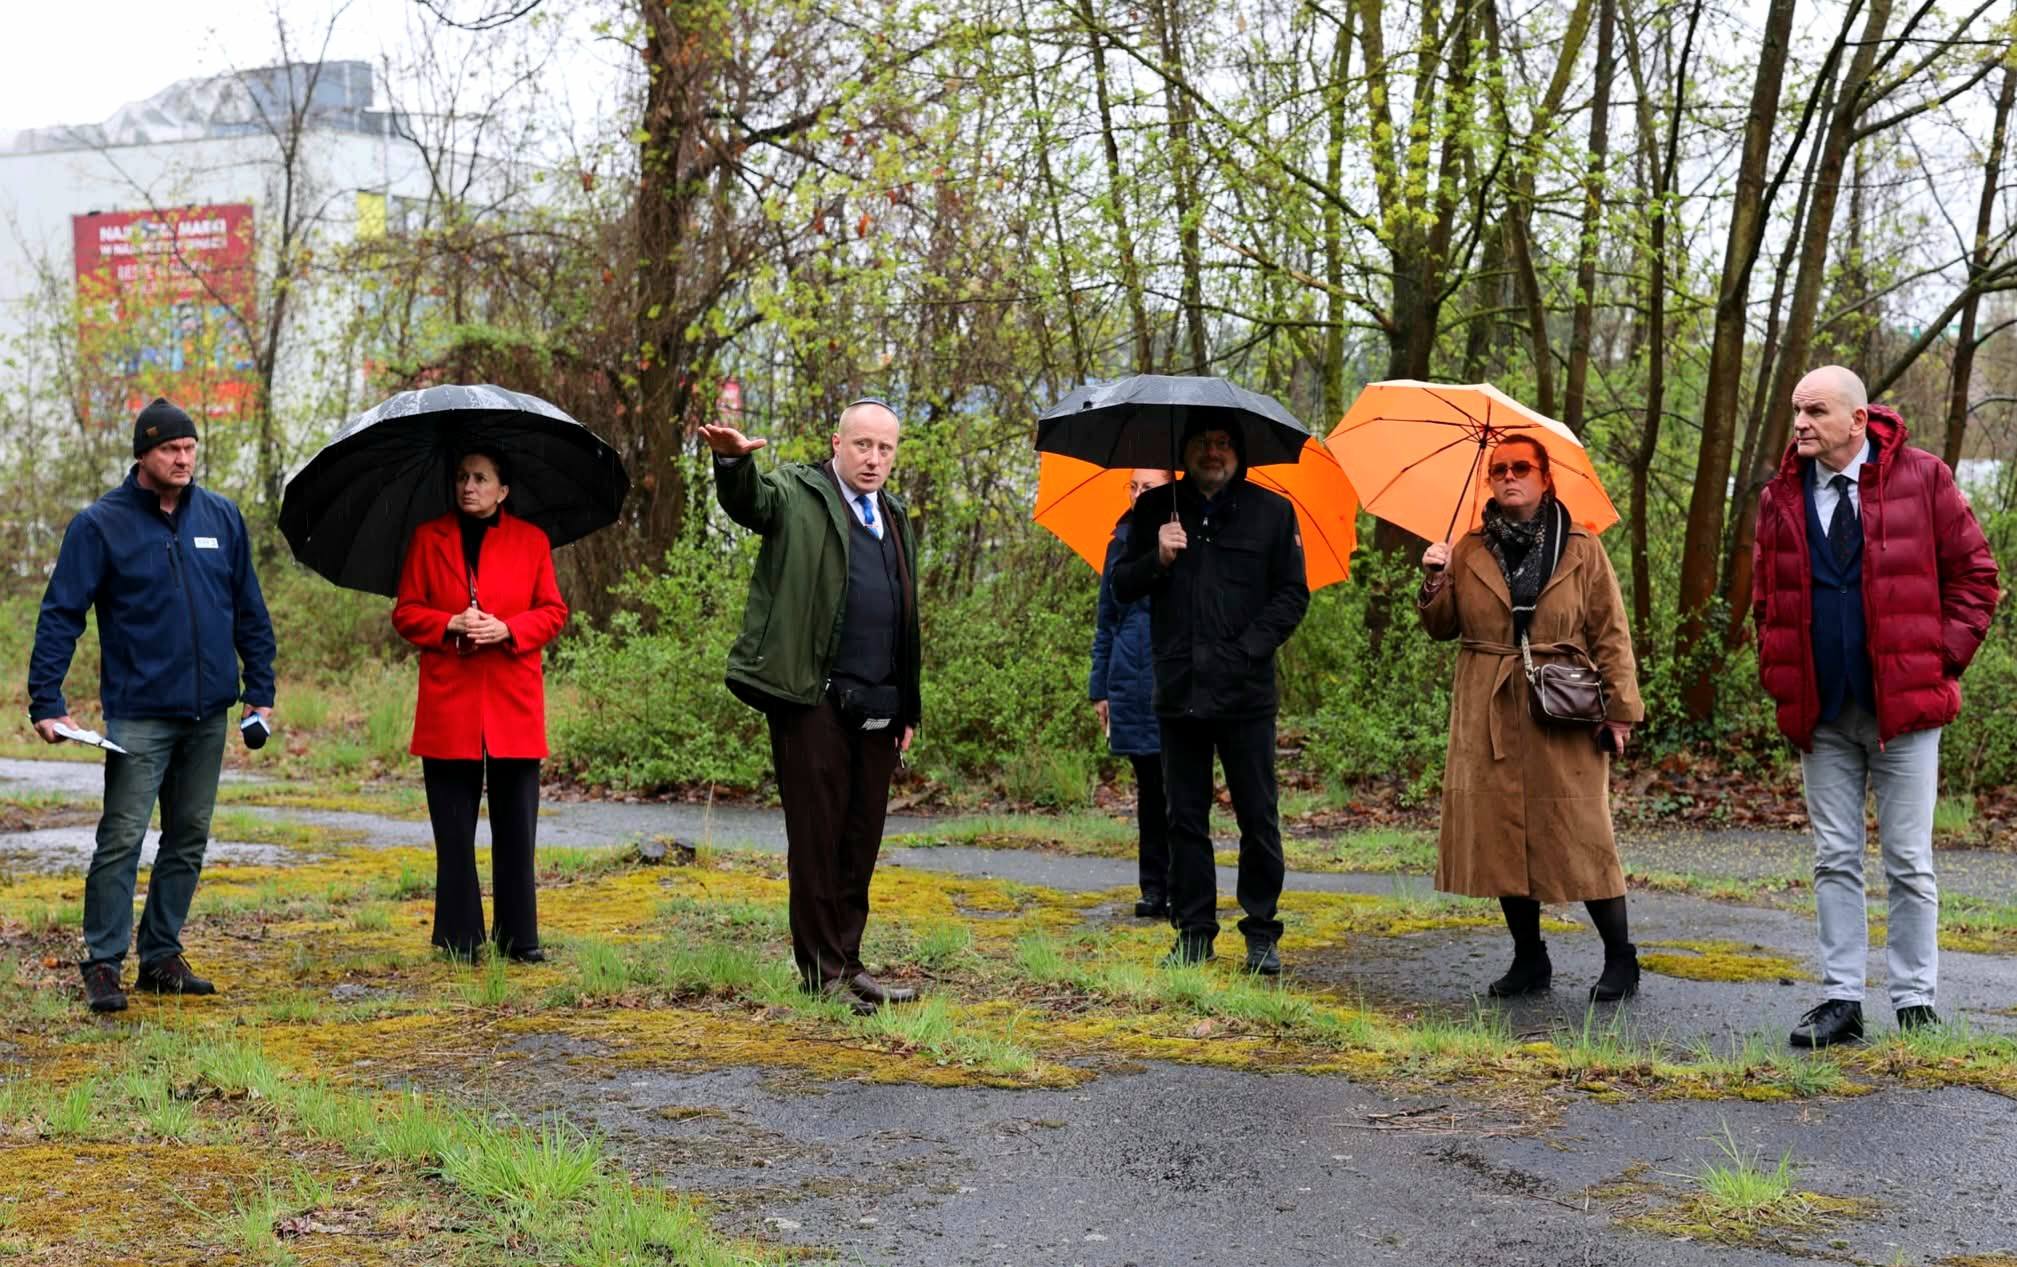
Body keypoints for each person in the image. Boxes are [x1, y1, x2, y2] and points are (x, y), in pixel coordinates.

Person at [1752, 366, 2000, 1047]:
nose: (1799, 422)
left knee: (1907, 860)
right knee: (1833, 856)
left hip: (1904, 713)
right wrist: (1777, 674)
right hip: (1821, 713)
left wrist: (1936, 660)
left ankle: (1915, 999)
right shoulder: (1780, 495)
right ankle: (1839, 1000)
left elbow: (1977, 577)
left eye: (1815, 411)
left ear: (1857, 420)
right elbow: (1764, 601)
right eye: (1796, 409)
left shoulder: (1923, 478)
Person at [27, 397, 276, 1013]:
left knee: (188, 836)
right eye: (171, 449)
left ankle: (161, 955)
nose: (184, 459)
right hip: (139, 715)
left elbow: (250, 611)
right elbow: (61, 614)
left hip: (209, 713)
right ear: (143, 454)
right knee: (122, 838)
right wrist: (47, 701)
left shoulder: (221, 516)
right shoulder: (101, 524)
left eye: (190, 448)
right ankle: (104, 964)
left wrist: (260, 693)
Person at [700, 398, 922, 1015]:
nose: (874, 458)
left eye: (885, 448)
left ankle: (849, 963)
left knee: (860, 838)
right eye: (863, 446)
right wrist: (730, 463)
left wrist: (909, 706)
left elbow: (907, 619)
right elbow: (750, 504)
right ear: (837, 442)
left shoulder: (894, 515)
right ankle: (821, 973)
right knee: (817, 837)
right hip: (811, 697)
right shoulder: (799, 494)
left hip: (879, 702)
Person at [1418, 434, 1644, 1002]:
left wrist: (1620, 714)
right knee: (1502, 836)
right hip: (1488, 708)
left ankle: (1621, 959)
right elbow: (1443, 627)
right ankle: (1529, 960)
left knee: (1581, 833)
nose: (1509, 476)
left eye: (1522, 467)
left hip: (1563, 706)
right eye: (1499, 470)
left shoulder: (1581, 547)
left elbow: (1610, 634)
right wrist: (1434, 579)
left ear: (1545, 478)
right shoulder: (1466, 548)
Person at [1112, 419, 1310, 974]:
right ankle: (1194, 932)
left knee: (1258, 816)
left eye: (1223, 444)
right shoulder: (1154, 511)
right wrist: (1158, 558)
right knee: (1185, 819)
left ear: (1238, 453)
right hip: (1178, 691)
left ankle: (1261, 933)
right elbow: (1120, 586)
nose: (1213, 453)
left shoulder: (1272, 512)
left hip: (1246, 693)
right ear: (1185, 451)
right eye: (1202, 443)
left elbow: (1292, 595)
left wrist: (1247, 649)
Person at [392, 448, 569, 963]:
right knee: (453, 828)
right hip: (450, 703)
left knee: (517, 827)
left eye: (481, 479)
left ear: (503, 490)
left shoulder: (532, 541)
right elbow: (406, 613)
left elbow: (553, 612)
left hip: (513, 701)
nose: (469, 486)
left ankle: (520, 938)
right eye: (462, 477)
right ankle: (459, 938)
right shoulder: (428, 538)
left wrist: (509, 628)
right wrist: (448, 623)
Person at [1090, 469, 1173, 919]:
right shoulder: (1119, 537)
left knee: (1180, 790)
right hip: (1131, 677)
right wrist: (1099, 688)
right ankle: (1153, 888)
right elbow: (1106, 619)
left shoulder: (1187, 535)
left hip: (1176, 675)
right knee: (1149, 790)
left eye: (1151, 487)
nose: (1140, 494)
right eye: (1134, 486)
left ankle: (1184, 886)